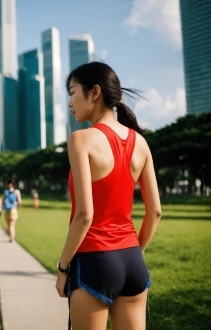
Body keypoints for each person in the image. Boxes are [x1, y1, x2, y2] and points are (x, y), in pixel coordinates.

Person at [55, 62, 161, 330]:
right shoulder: (141, 142)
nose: (69, 102)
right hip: (133, 260)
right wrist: (133, 253)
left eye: (72, 92)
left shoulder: (81, 140)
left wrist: (63, 268)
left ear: (94, 93)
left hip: (94, 261)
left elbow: (84, 215)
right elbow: (156, 211)